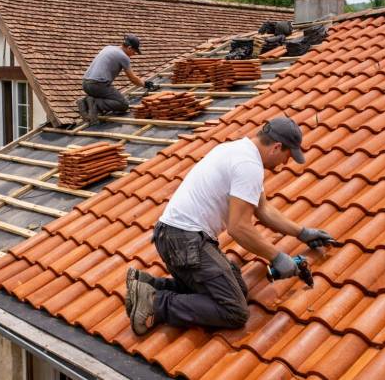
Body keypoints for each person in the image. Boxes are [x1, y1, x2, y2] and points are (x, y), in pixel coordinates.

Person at [125, 117, 335, 335]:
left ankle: (149, 285)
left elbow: (263, 210)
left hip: (174, 237)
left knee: (238, 290)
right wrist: (276, 257)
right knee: (234, 310)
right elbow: (238, 227)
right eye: (287, 156)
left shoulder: (238, 151)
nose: (285, 163)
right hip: (185, 240)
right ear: (277, 147)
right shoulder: (248, 166)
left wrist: (302, 233)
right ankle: (155, 302)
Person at [77, 34, 154, 125]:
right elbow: (132, 79)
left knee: (109, 97)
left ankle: (85, 102)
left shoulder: (108, 48)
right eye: (134, 52)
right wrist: (145, 84)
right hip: (98, 85)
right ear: (129, 48)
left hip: (86, 84)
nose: (133, 55)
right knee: (123, 104)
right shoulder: (123, 57)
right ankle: (95, 103)